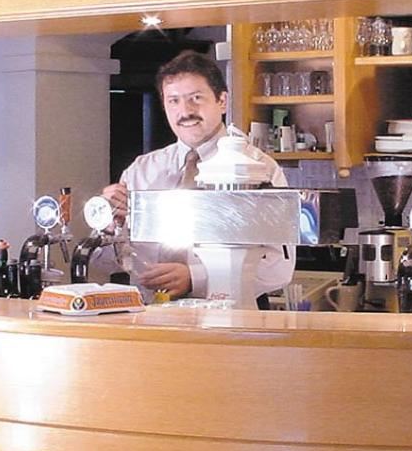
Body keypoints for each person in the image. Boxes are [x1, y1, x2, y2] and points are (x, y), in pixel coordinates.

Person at [96, 49, 294, 301]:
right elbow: (103, 262)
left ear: (222, 101)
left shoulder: (259, 169)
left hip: (230, 312)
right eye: (173, 101)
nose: (185, 111)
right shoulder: (142, 170)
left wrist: (195, 277)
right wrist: (109, 225)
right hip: (150, 312)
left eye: (196, 98)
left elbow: (280, 266)